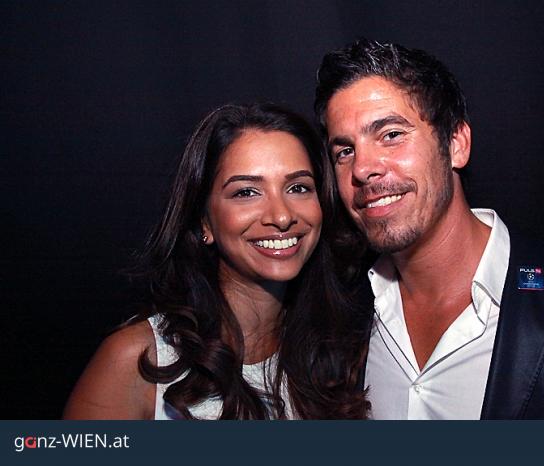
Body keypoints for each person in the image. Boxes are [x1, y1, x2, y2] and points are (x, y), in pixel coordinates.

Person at [314, 39, 544, 419]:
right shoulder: (338, 316)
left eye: (391, 135)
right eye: (344, 151)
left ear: (456, 144)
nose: (362, 168)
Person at [64, 103, 369, 419]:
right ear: (204, 221)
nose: (281, 216)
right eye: (246, 192)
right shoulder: (139, 358)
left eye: (298, 187)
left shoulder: (340, 353)